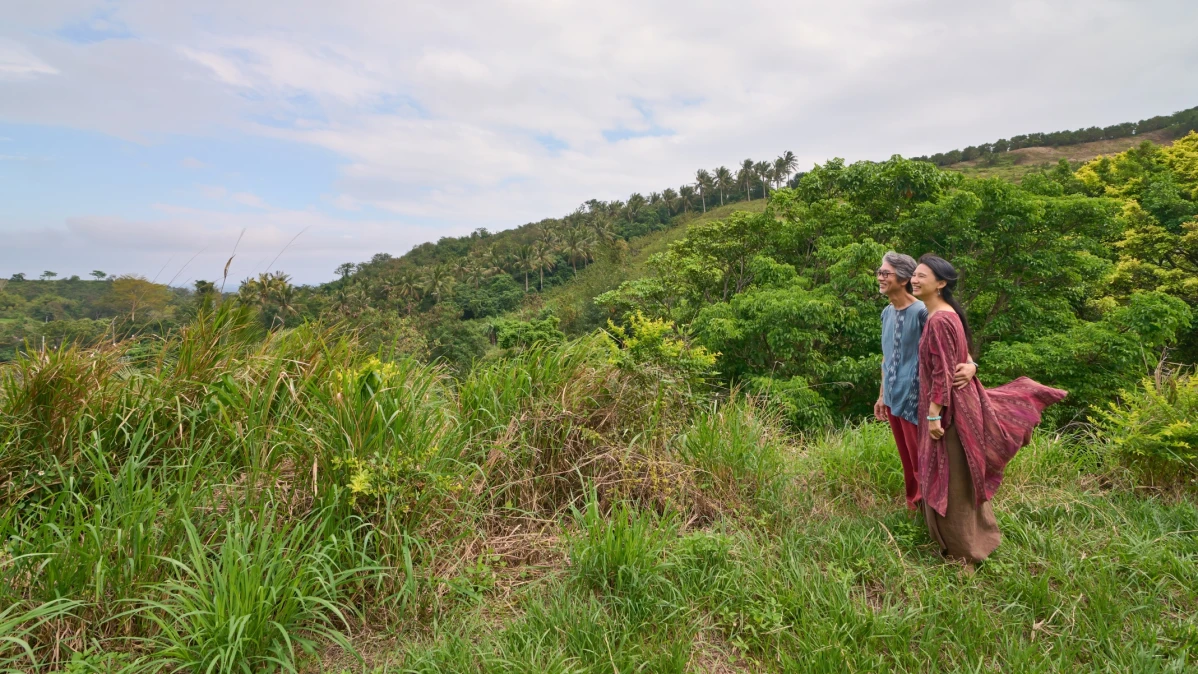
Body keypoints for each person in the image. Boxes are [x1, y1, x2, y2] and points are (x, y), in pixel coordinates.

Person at [911, 254, 1067, 563]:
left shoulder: (940, 318)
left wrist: (932, 415)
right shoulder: (945, 315)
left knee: (952, 478)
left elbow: (943, 373)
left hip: (949, 411)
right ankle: (966, 541)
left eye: (922, 276)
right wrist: (970, 365)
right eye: (914, 274)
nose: (914, 280)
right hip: (956, 405)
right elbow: (960, 357)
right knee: (956, 474)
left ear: (941, 284)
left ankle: (964, 552)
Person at [873, 252, 975, 511]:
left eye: (886, 273)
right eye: (879, 272)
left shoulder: (923, 311)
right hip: (895, 397)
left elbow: (948, 348)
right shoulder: (886, 312)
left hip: (917, 400)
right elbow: (888, 358)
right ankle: (913, 508)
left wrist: (972, 365)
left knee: (922, 461)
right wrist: (882, 395)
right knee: (907, 460)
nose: (880, 278)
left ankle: (927, 515)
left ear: (903, 278)